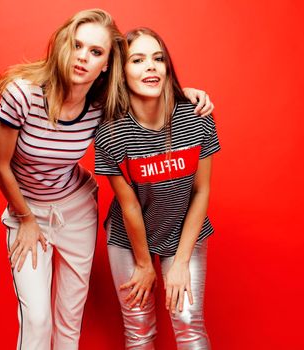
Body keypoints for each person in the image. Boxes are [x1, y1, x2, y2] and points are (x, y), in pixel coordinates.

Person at [0, 9, 213, 350]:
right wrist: (25, 217)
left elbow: (198, 188)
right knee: (40, 319)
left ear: (107, 64)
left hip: (83, 211)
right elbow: (0, 165)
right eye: (77, 46)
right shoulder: (39, 100)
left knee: (74, 318)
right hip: (41, 214)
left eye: (96, 52)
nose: (83, 58)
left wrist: (189, 94)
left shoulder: (110, 109)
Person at [94, 27, 220, 349]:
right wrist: (143, 264)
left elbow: (201, 192)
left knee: (189, 322)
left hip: (182, 231)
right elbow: (130, 205)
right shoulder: (110, 132)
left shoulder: (197, 117)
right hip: (129, 237)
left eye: (158, 58)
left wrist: (179, 262)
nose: (151, 66)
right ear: (122, 73)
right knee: (138, 330)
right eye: (138, 60)